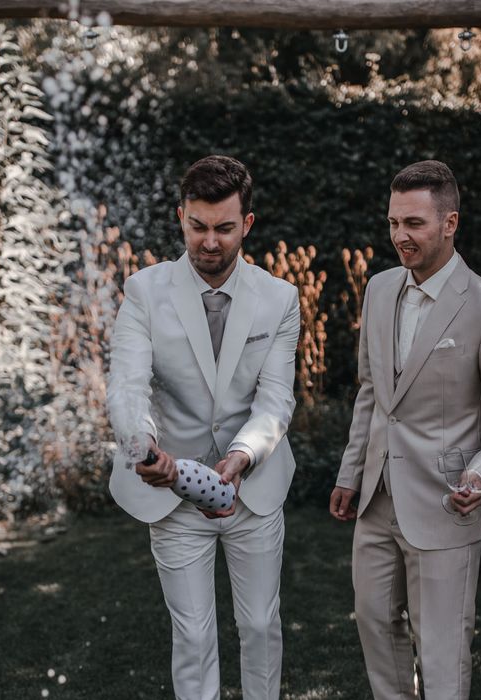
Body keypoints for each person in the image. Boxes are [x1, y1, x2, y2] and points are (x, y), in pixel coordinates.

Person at [330, 160, 481, 699]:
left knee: (442, 653)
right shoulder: (378, 291)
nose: (400, 236)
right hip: (377, 499)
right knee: (376, 627)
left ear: (450, 223)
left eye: (414, 224)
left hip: (450, 501)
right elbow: (373, 393)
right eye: (394, 222)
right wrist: (351, 473)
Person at [108, 155, 300, 700]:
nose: (209, 242)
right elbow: (127, 385)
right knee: (192, 635)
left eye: (223, 228)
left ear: (247, 225)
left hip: (254, 489)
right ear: (181, 218)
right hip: (172, 493)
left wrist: (242, 456)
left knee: (261, 626)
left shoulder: (280, 299)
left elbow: (276, 399)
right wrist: (143, 448)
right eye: (197, 227)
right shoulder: (145, 292)